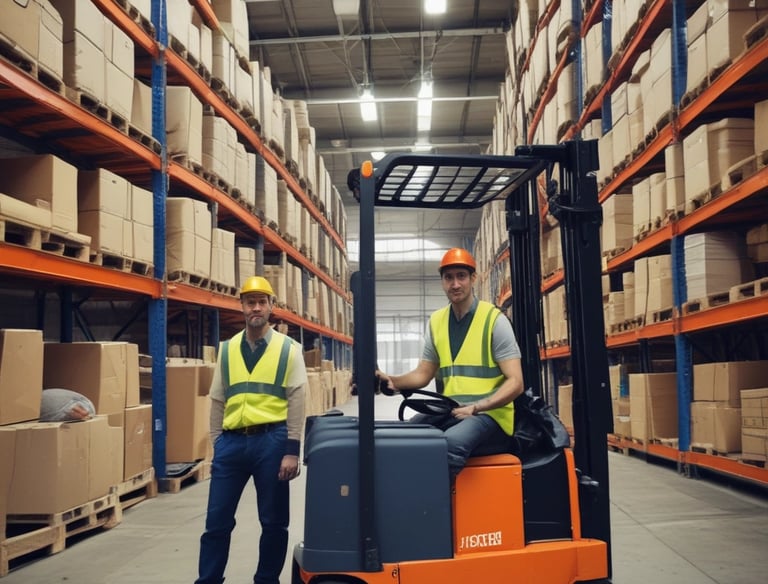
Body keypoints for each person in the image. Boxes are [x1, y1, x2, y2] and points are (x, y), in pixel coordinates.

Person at [196, 275, 307, 584]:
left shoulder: (289, 349)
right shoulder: (228, 349)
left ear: (271, 307)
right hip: (231, 444)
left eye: (262, 302)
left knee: (273, 522)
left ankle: (266, 579)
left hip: (271, 442)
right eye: (250, 302)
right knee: (216, 522)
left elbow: (297, 400)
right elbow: (217, 398)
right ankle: (208, 580)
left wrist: (291, 451)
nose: (256, 307)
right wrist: (218, 443)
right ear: (242, 306)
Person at [377, 248, 524, 480]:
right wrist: (392, 381)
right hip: (452, 410)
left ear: (473, 278)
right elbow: (423, 374)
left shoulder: (494, 320)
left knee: (450, 444)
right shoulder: (437, 321)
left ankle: (437, 510)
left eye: (461, 276)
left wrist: (477, 407)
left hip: (490, 416)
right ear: (442, 282)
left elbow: (516, 382)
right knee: (406, 436)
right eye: (449, 277)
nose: (455, 284)